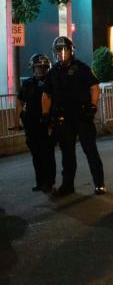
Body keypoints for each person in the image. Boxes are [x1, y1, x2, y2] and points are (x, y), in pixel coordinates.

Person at [41, 36, 106, 196]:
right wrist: (45, 113)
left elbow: (94, 87)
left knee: (90, 151)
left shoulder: (81, 68)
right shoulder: (53, 72)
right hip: (64, 118)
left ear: (71, 51)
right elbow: (46, 94)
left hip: (82, 116)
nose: (61, 53)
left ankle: (99, 184)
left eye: (64, 50)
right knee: (67, 154)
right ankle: (67, 185)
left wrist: (93, 106)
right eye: (58, 51)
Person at [16, 54, 55, 192]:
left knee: (47, 154)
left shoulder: (51, 83)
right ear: (33, 68)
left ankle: (49, 182)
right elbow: (20, 102)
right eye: (38, 67)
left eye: (44, 67)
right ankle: (40, 181)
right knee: (36, 155)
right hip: (31, 124)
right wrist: (18, 120)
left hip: (45, 123)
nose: (41, 69)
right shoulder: (26, 84)